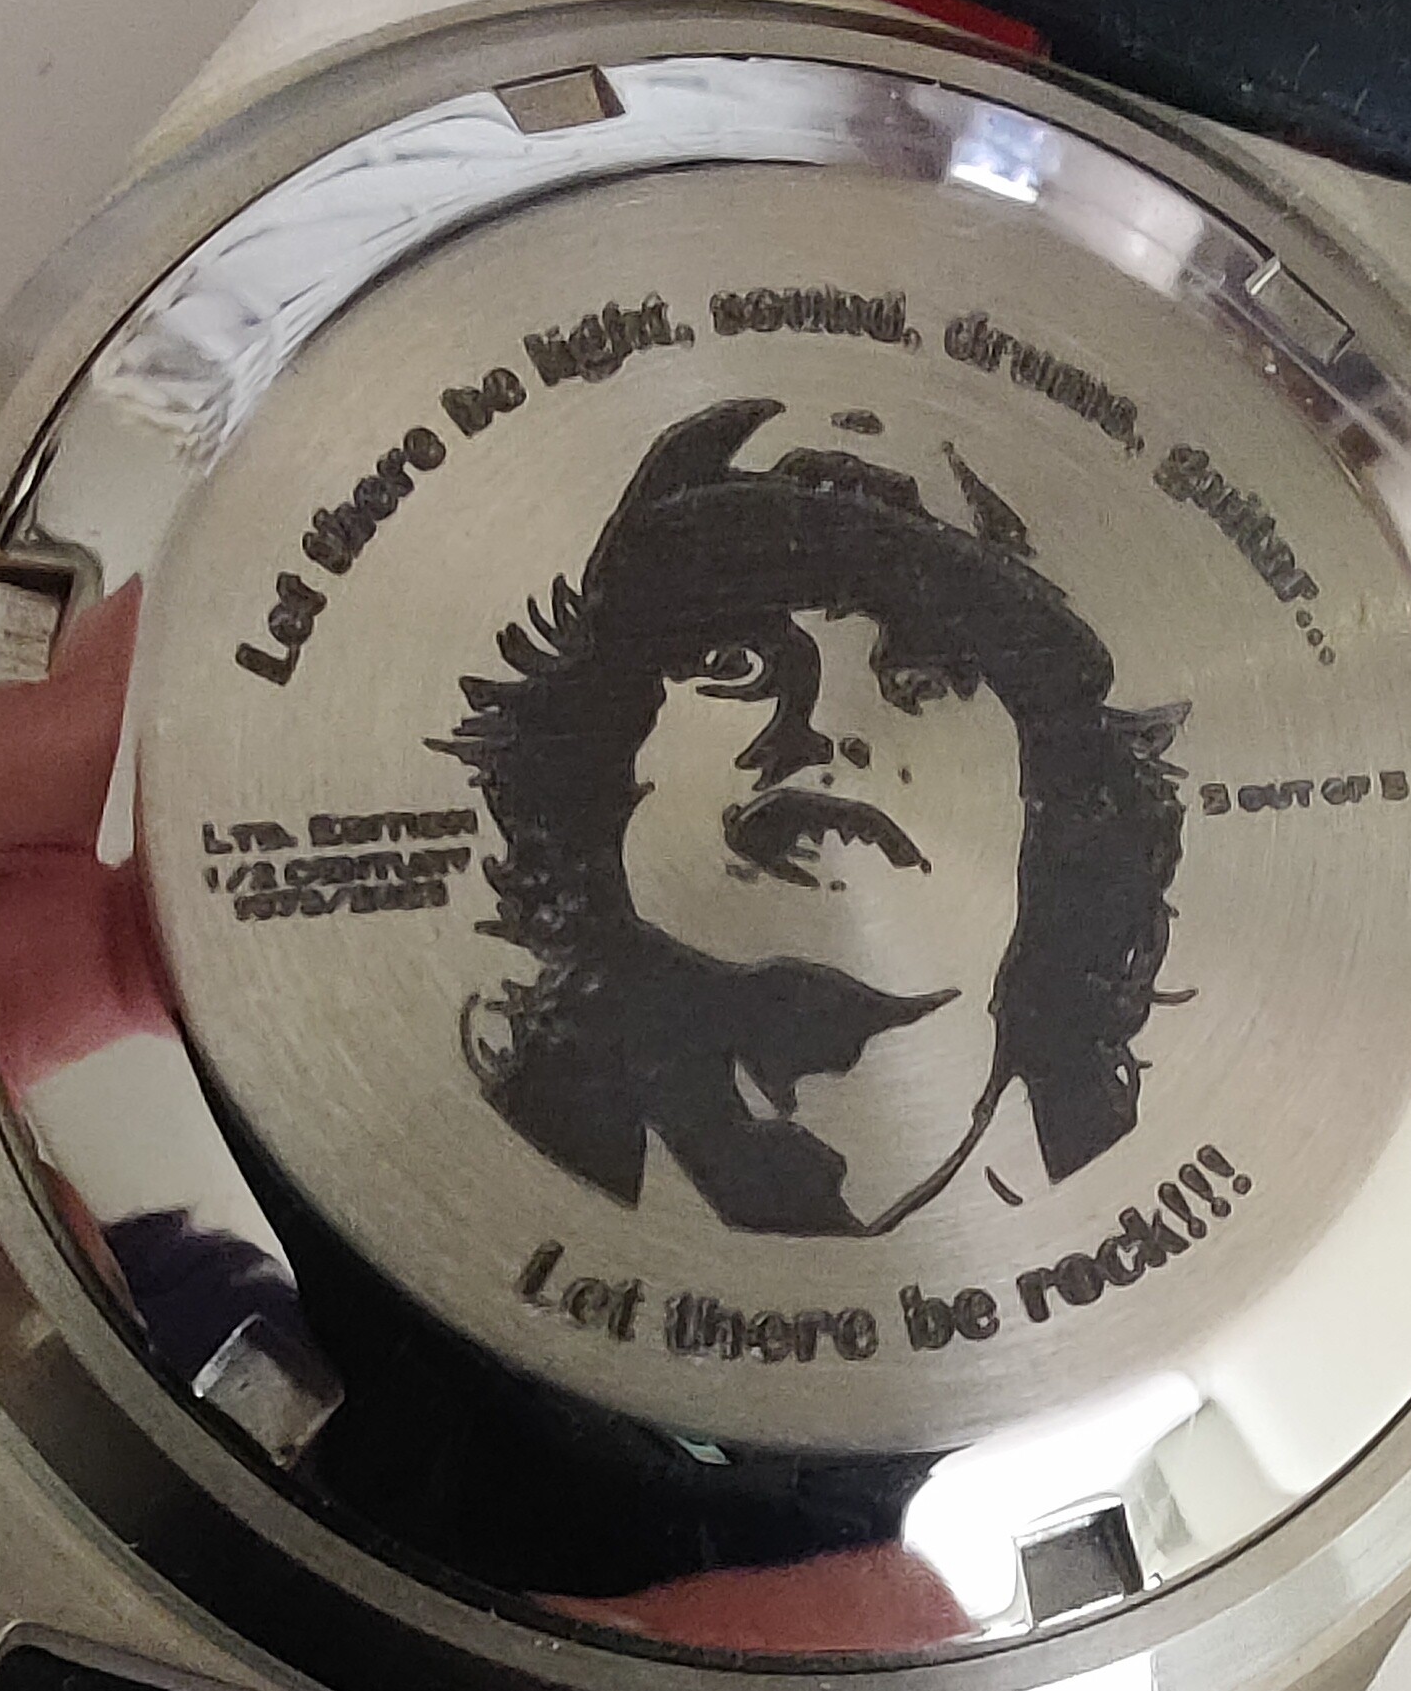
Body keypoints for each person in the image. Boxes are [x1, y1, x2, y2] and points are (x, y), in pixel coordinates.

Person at [450, 398, 1186, 1238]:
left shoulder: (1101, 1156)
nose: (829, 726)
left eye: (919, 682)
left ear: (1052, 791)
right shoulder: (537, 1135)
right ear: (606, 748)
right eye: (741, 664)